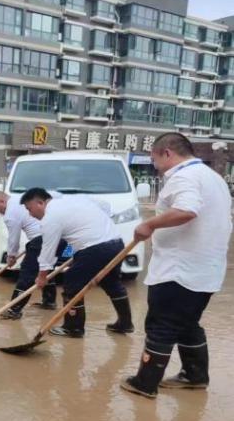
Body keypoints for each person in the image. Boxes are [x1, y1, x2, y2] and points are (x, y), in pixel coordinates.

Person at [121, 132, 232, 399]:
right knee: (187, 324)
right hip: (205, 270)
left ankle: (145, 383)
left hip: (179, 271)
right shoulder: (213, 178)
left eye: (154, 159)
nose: (155, 166)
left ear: (167, 153)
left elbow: (187, 209)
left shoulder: (184, 177)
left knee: (161, 324)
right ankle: (194, 376)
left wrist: (149, 224)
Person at [23, 188, 133, 337]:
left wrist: (42, 277)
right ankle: (125, 324)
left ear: (40, 203)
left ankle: (73, 327)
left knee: (72, 282)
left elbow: (48, 251)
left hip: (94, 248)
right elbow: (104, 206)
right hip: (116, 243)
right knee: (112, 282)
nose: (30, 214)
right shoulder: (74, 199)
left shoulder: (51, 217)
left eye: (29, 209)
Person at [0, 190, 59, 319]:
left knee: (27, 274)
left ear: (1, 201)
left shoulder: (10, 213)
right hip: (54, 236)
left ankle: (14, 310)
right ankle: (49, 302)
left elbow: (13, 238)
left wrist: (11, 256)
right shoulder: (19, 199)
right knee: (46, 268)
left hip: (40, 239)